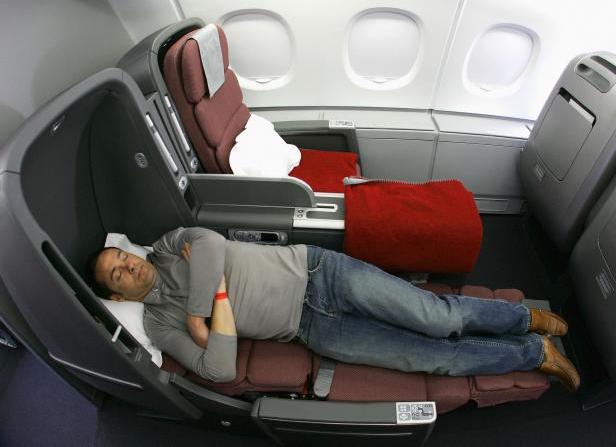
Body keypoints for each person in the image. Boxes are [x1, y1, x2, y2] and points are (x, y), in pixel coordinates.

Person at [89, 227, 580, 391]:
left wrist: (204, 322)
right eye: (117, 273)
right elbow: (218, 369)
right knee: (432, 357)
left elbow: (212, 243)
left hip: (320, 273)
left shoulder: (169, 245)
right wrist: (215, 292)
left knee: (438, 317)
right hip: (309, 328)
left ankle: (523, 319)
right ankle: (533, 354)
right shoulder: (156, 321)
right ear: (117, 296)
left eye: (123, 257)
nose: (129, 267)